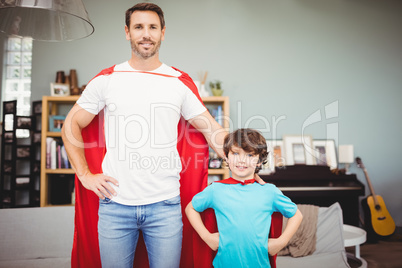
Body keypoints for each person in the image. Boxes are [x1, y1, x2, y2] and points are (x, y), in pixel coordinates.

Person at [61, 3, 227, 268]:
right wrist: (84, 174)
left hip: (165, 206)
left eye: (152, 27)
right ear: (127, 32)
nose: (146, 34)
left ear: (163, 33)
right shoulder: (107, 80)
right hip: (115, 206)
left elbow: (211, 130)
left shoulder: (178, 82)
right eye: (138, 27)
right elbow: (70, 125)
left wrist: (244, 159)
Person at [186, 128, 303, 268]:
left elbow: (296, 214)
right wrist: (207, 237)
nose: (242, 160)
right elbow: (190, 208)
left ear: (259, 161)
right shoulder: (215, 190)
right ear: (226, 157)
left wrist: (281, 242)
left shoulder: (269, 191)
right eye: (235, 153)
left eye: (249, 155)